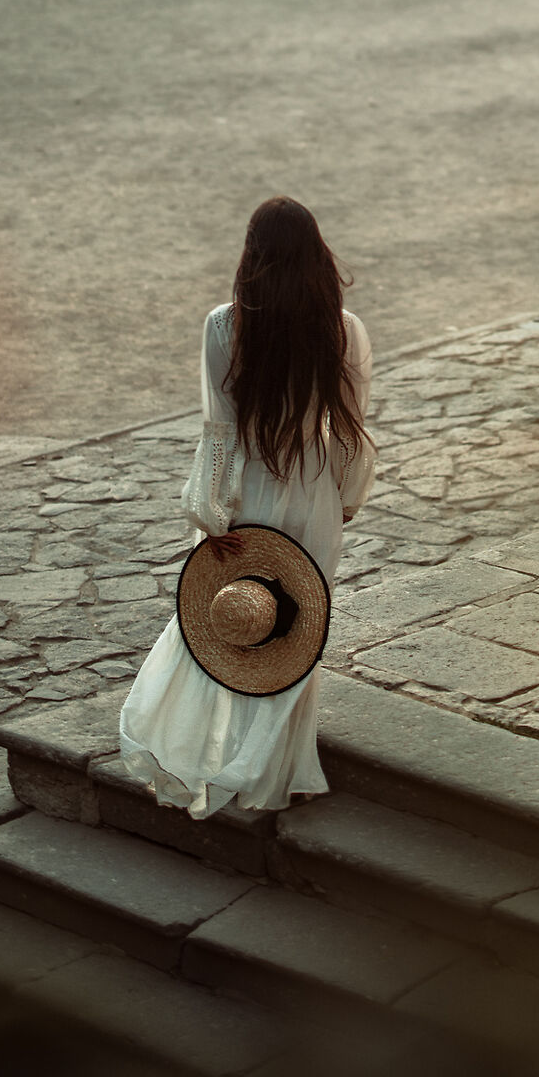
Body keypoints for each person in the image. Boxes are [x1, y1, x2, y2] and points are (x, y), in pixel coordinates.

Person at [119, 196, 374, 817]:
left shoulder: (223, 327)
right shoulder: (343, 328)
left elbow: (220, 432)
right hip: (312, 492)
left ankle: (225, 747)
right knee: (297, 629)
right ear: (318, 256)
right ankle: (271, 761)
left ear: (251, 256)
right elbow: (349, 430)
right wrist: (347, 497)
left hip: (249, 495)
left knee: (238, 625)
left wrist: (211, 514)